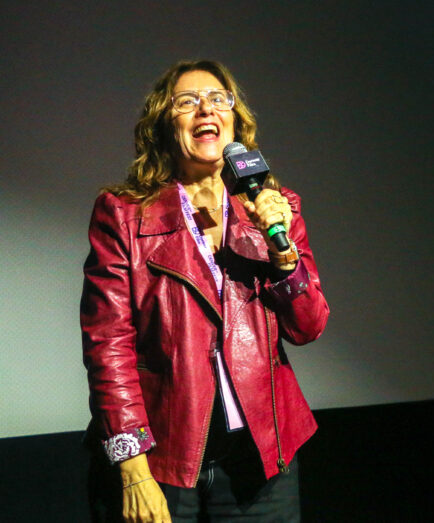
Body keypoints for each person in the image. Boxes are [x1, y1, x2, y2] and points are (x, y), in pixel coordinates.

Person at [81, 59, 330, 522]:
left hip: (261, 463)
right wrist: (134, 472)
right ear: (162, 124)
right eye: (187, 102)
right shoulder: (123, 214)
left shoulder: (276, 206)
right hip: (162, 466)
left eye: (218, 100)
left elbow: (308, 326)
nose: (205, 110)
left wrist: (281, 253)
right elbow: (107, 348)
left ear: (234, 121)